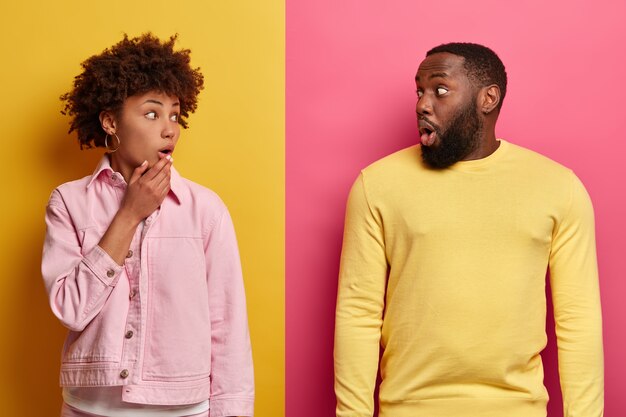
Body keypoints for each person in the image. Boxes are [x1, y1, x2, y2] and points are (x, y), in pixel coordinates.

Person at [334, 42, 604, 417]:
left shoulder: (559, 188)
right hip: (407, 408)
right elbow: (358, 313)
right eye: (420, 91)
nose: (422, 104)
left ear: (488, 98)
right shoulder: (376, 185)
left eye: (440, 90)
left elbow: (578, 319)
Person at [42, 33, 254, 417]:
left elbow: (229, 327)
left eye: (175, 114)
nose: (170, 128)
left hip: (185, 409)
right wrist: (128, 215)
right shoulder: (69, 202)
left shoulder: (205, 210)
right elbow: (70, 309)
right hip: (88, 408)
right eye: (152, 113)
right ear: (110, 121)